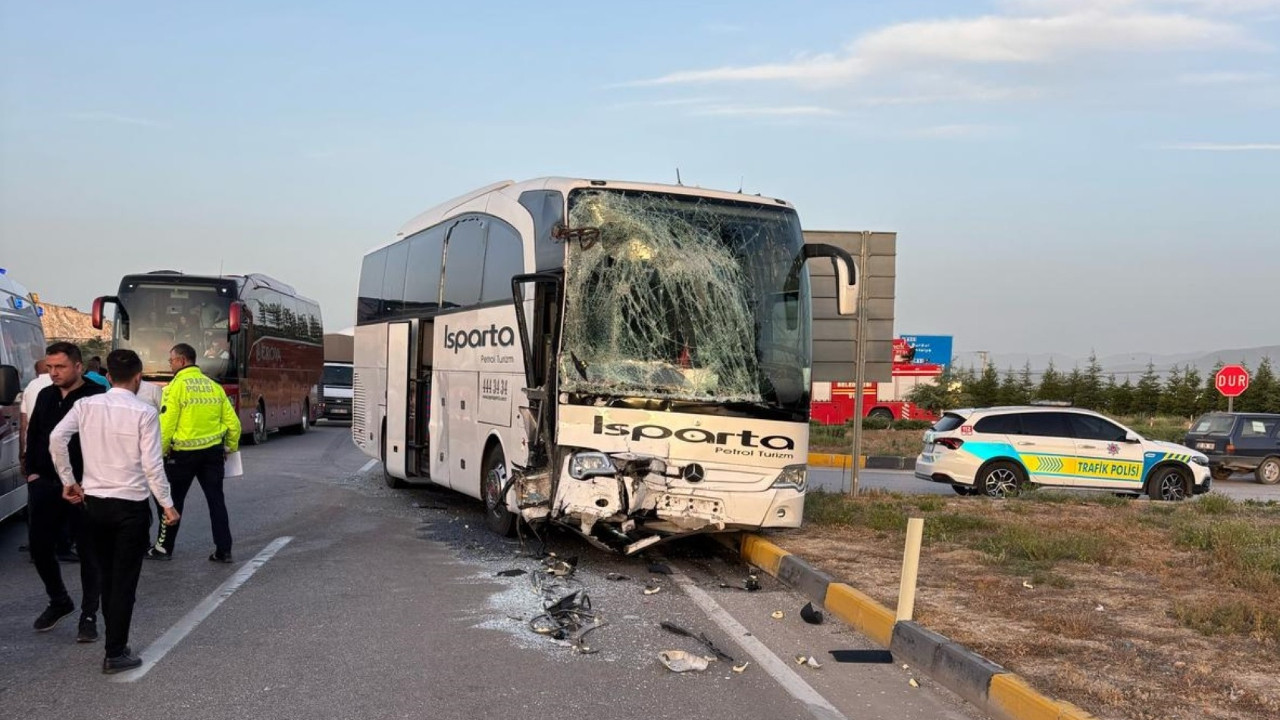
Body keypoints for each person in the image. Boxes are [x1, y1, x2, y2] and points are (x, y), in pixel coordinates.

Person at [51, 349, 180, 674]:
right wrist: (166, 504)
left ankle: (110, 640)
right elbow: (152, 466)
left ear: (108, 376)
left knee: (105, 575)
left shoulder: (86, 405)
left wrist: (69, 480)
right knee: (124, 582)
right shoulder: (144, 413)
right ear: (138, 378)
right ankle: (116, 650)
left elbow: (56, 438)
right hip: (130, 508)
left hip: (93, 504)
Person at [22, 342, 106, 641]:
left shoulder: (97, 397)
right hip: (45, 483)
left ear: (78, 366)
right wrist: (31, 471)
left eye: (60, 367)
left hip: (84, 486)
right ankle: (59, 600)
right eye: (50, 367)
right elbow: (34, 435)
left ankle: (88, 615)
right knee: (39, 547)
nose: (53, 373)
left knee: (88, 552)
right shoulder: (45, 395)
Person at [147, 343, 241, 562]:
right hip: (213, 454)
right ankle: (223, 550)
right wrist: (231, 447)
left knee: (172, 502)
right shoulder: (214, 386)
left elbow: (166, 426)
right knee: (216, 501)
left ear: (181, 361)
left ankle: (163, 548)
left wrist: (158, 455)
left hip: (183, 456)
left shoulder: (174, 387)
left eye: (171, 361)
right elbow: (233, 423)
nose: (170, 365)